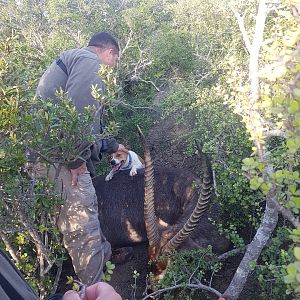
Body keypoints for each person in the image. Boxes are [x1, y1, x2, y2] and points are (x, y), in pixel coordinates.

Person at [34, 32, 132, 285]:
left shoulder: (76, 59)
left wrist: (112, 145)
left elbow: (86, 123)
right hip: (59, 160)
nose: (112, 68)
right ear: (109, 52)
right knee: (82, 223)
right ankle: (94, 285)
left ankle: (105, 256)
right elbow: (77, 115)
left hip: (48, 155)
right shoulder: (91, 62)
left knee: (85, 211)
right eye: (116, 61)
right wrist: (76, 160)